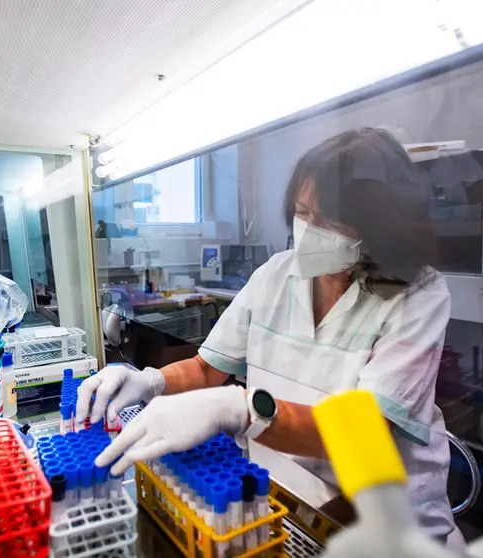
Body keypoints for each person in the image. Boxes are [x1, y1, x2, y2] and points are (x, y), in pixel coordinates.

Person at [78, 128, 460, 546]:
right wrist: (149, 380)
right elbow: (208, 369)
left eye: (328, 220)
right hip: (285, 497)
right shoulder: (277, 274)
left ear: (377, 228)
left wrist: (244, 411)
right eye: (302, 212)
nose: (309, 230)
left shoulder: (418, 294)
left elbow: (364, 430)